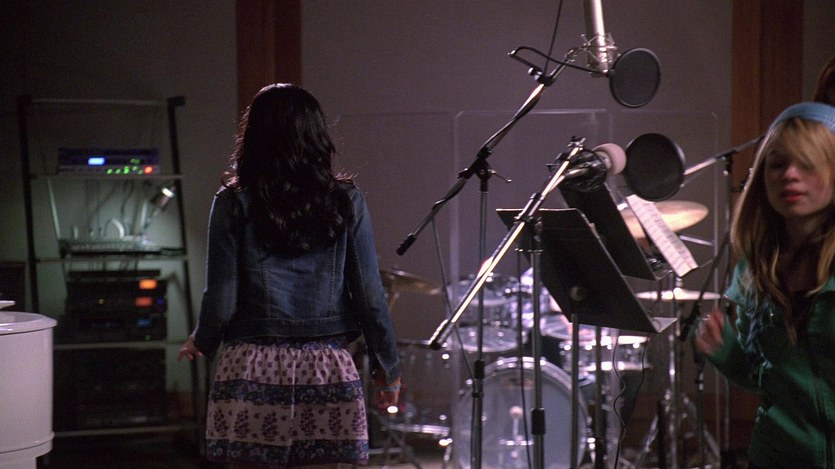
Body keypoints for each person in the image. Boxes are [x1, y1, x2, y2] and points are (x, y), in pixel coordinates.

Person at [178, 83, 401, 469]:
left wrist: (203, 338)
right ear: (316, 136)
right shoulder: (346, 200)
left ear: (254, 137)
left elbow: (222, 295)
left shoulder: (232, 201)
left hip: (251, 364)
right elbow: (370, 295)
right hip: (326, 366)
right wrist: (389, 369)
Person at [694, 101, 835, 468]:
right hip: (775, 457)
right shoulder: (755, 269)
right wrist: (727, 353)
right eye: (778, 164)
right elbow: (765, 378)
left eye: (807, 163)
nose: (790, 175)